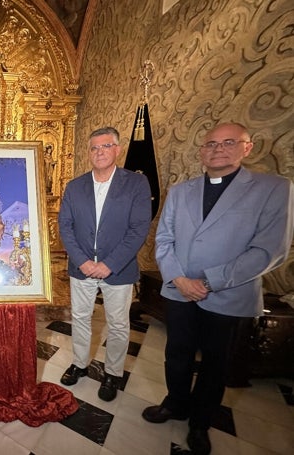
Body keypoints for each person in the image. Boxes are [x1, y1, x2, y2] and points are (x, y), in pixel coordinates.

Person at [142, 122, 294, 455]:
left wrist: (210, 281)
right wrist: (179, 279)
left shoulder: (274, 188)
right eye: (210, 144)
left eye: (228, 142)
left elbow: (270, 250)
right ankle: (176, 404)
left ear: (247, 147)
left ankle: (200, 423)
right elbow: (164, 239)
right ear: (201, 151)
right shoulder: (182, 191)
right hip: (179, 290)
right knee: (176, 355)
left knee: (216, 364)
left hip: (229, 293)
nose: (217, 149)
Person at [58, 126, 151, 401]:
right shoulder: (75, 186)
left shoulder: (135, 184)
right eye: (94, 148)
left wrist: (109, 264)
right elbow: (66, 227)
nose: (99, 152)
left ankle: (113, 373)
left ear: (117, 150)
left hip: (118, 269)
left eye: (106, 146)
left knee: (119, 324)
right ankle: (79, 364)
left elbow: (138, 229)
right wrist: (82, 261)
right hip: (81, 268)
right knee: (80, 318)